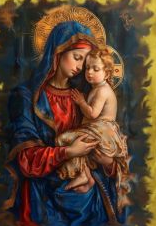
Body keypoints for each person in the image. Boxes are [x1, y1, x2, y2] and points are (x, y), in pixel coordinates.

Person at [0, 19, 133, 226]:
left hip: (90, 199)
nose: (82, 68)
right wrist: (67, 152)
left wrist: (107, 163)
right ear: (57, 52)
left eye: (86, 62)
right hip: (43, 197)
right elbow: (24, 158)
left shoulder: (82, 97)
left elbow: (106, 150)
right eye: (77, 57)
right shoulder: (27, 97)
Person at [55, 47, 131, 209]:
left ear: (107, 73)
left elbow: (93, 113)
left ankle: (83, 175)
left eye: (96, 69)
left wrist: (81, 102)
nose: (89, 72)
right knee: (75, 144)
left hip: (102, 132)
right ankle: (85, 176)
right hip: (97, 130)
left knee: (64, 139)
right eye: (87, 68)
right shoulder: (96, 88)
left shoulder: (102, 91)